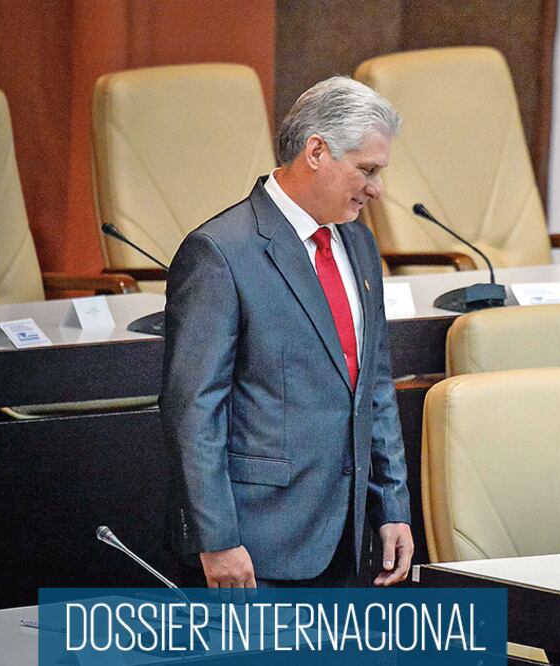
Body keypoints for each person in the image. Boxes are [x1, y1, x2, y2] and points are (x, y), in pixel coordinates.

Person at [161, 76, 412, 588]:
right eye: (366, 170)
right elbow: (194, 410)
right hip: (253, 550)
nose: (377, 189)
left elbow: (374, 386)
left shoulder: (359, 246)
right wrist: (217, 539)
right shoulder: (220, 252)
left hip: (347, 538)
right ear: (316, 150)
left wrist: (392, 504)